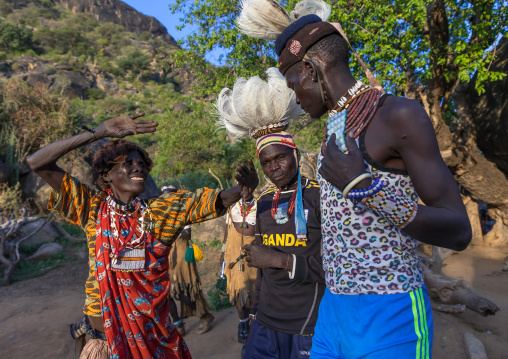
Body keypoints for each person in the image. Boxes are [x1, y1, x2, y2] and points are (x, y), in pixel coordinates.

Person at [237, 1, 472, 358]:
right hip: (333, 311)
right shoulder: (333, 127)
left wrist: (365, 188)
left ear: (311, 70)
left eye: (293, 84)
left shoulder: (398, 115)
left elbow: (459, 230)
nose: (296, 99)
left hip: (389, 312)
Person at [26, 113, 258, 359]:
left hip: (152, 341)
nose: (138, 167)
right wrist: (98, 132)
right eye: (128, 163)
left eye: (141, 164)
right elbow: (37, 163)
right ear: (107, 175)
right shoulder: (92, 209)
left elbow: (215, 199)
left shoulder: (160, 213)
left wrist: (243, 189)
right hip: (102, 343)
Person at [215, 68, 326, 359]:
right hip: (265, 321)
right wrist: (253, 314)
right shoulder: (265, 201)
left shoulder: (319, 197)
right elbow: (256, 251)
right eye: (266, 162)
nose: (274, 167)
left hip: (308, 325)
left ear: (296, 156)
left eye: (280, 158)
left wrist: (279, 259)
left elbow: (336, 266)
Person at [160, 185, 215, 336]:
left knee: (185, 289)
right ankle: (178, 325)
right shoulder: (161, 214)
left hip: (182, 254)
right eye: (165, 196)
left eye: (170, 196)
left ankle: (205, 316)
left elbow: (187, 234)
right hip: (167, 255)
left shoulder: (183, 212)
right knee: (168, 293)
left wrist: (171, 230)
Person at [220, 196, 258, 346]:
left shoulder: (259, 205)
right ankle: (243, 325)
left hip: (253, 253)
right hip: (234, 253)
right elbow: (227, 230)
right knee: (238, 290)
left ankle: (255, 325)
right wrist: (223, 252)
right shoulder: (232, 207)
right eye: (240, 185)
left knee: (255, 291)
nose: (244, 189)